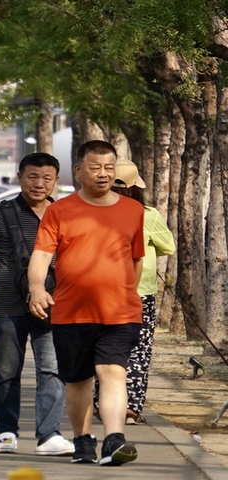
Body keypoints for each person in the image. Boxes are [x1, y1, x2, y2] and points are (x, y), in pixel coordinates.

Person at [27, 140, 144, 466]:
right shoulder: (59, 211)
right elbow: (41, 256)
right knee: (78, 380)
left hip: (120, 312)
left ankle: (115, 439)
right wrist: (37, 289)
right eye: (95, 167)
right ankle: (82, 440)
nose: (103, 174)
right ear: (78, 170)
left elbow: (135, 259)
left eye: (109, 167)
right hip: (71, 312)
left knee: (112, 371)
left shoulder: (132, 210)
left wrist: (128, 294)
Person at [0, 152, 74, 456]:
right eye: (32, 176)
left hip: (55, 306)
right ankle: (6, 432)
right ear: (19, 177)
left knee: (52, 370)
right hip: (6, 308)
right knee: (6, 371)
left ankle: (49, 435)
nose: (39, 184)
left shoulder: (65, 214)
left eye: (47, 178)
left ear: (56, 181)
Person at [93, 160, 175, 425]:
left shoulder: (94, 211)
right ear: (136, 187)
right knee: (139, 351)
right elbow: (168, 246)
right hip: (140, 293)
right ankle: (130, 408)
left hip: (100, 290)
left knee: (102, 348)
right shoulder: (147, 214)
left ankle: (101, 403)